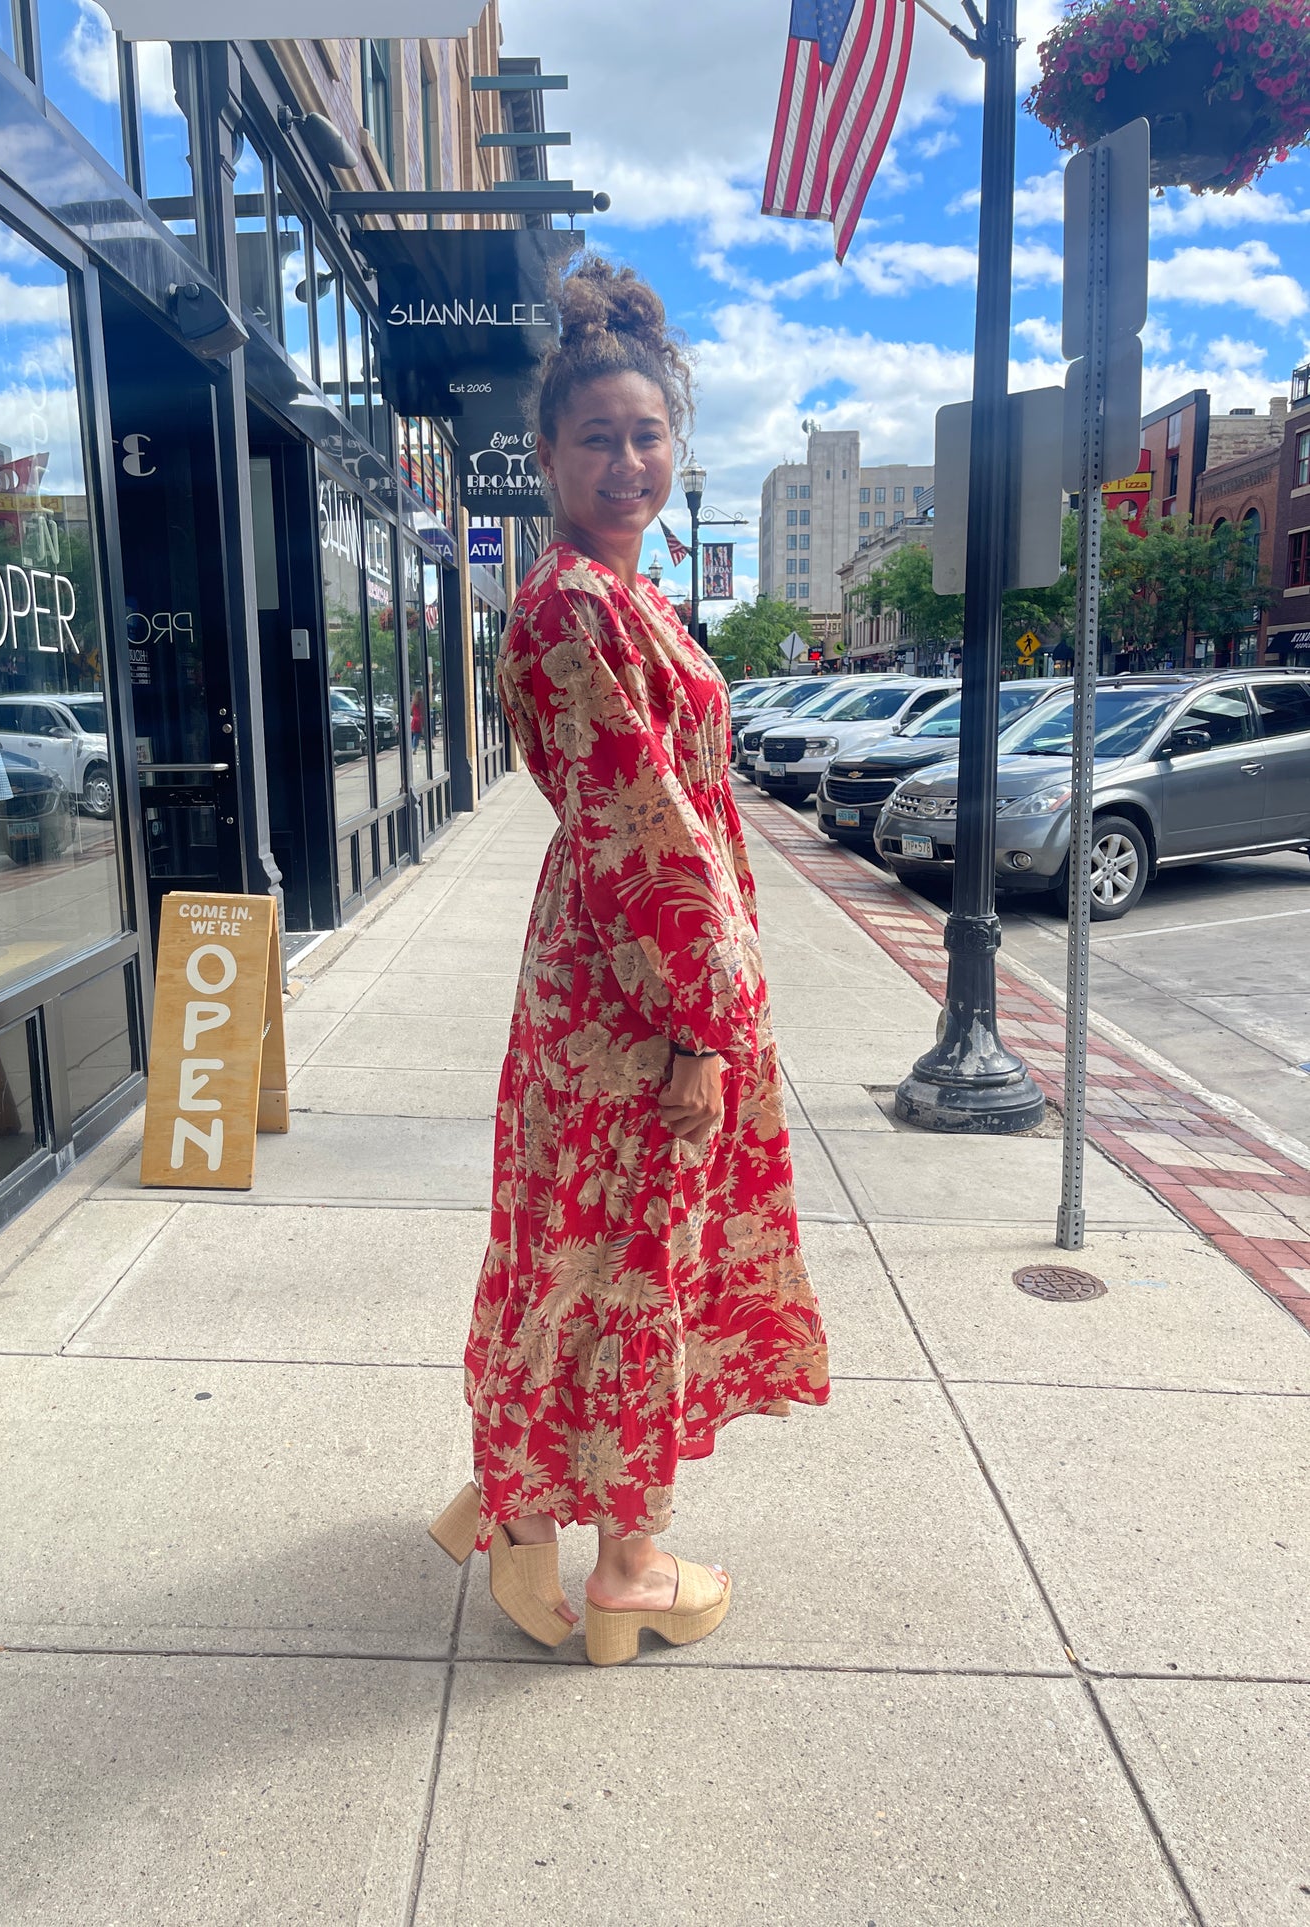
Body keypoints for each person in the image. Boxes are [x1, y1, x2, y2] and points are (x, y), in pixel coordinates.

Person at [430, 259, 830, 1666]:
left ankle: (515, 1496)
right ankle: (629, 1570)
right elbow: (645, 838)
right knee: (625, 1263)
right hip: (639, 994)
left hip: (610, 975)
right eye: (595, 437)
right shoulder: (575, 608)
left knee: (575, 1252)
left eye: (647, 435)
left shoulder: (612, 594)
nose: (626, 460)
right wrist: (705, 1028)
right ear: (544, 456)